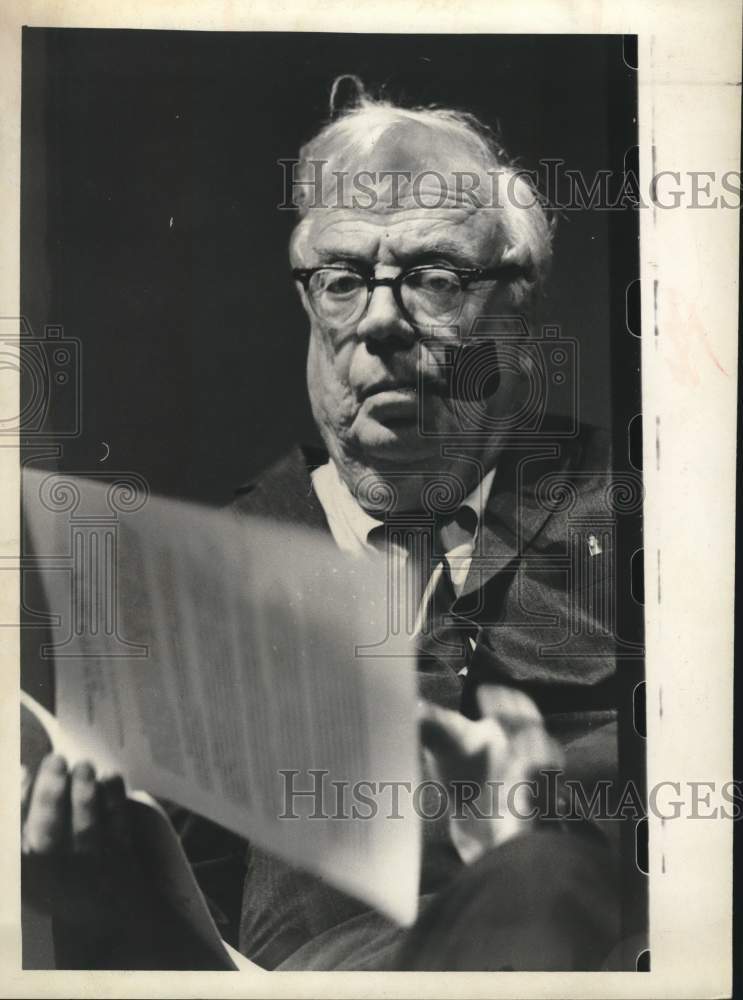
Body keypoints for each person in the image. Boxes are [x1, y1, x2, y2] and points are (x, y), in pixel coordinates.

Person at [21, 78, 628, 970]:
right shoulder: (195, 584)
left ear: (518, 311)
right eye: (341, 280)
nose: (378, 320)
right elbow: (169, 957)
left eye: (432, 278)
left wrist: (555, 804)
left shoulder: (639, 510)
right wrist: (100, 902)